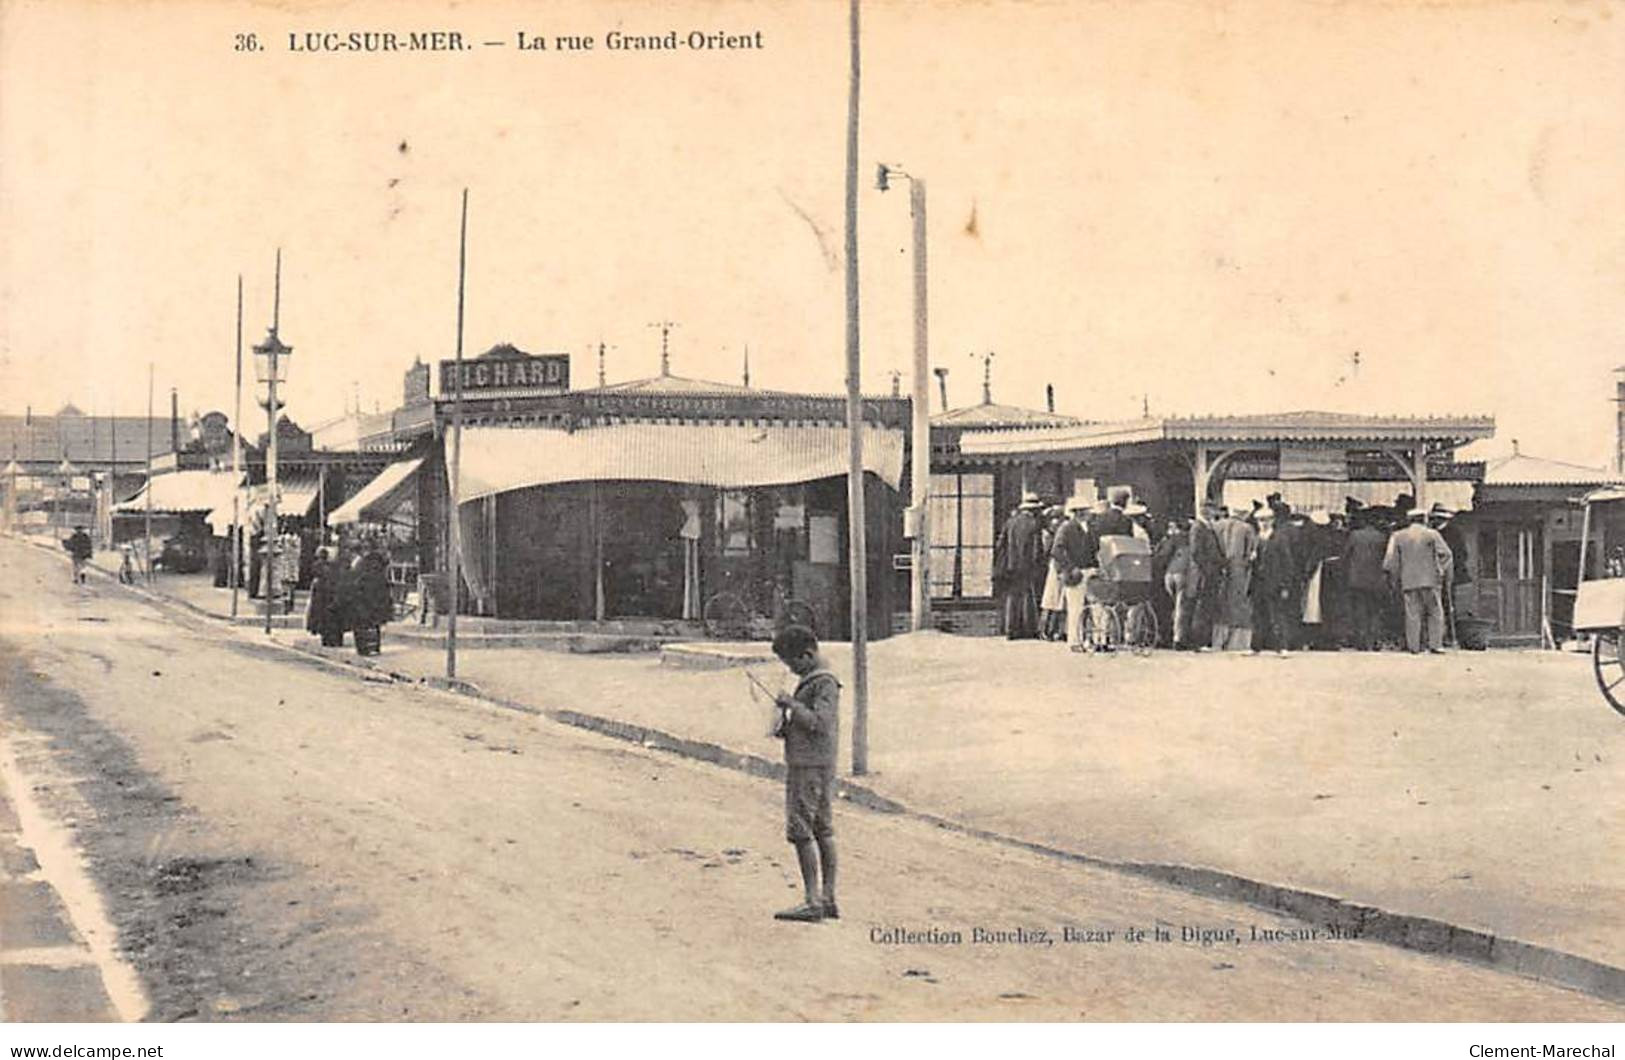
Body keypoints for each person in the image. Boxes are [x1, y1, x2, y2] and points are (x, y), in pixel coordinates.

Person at [769, 625, 840, 923]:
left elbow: (819, 722)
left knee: (801, 831)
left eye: (793, 663)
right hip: (821, 764)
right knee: (823, 829)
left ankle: (812, 901)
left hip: (807, 766)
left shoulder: (822, 682)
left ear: (807, 655)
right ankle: (827, 898)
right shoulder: (821, 680)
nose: (792, 669)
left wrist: (791, 705)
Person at [1383, 507, 1453, 654]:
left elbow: (1390, 562)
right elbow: (1446, 554)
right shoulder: (1433, 534)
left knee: (1412, 614)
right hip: (1431, 580)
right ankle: (1435, 645)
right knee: (1435, 612)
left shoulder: (1398, 536)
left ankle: (1414, 647)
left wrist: (1395, 579)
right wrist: (1440, 570)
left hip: (1408, 580)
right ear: (1424, 519)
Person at [993, 492, 1047, 640]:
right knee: (1028, 597)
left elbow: (1000, 545)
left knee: (1012, 597)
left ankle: (1010, 630)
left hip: (1010, 566)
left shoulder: (1010, 522)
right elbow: (1037, 550)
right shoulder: (1034, 524)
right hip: (1027, 566)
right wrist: (1039, 565)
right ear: (1034, 510)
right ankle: (1028, 629)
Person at [1051, 493, 1098, 652]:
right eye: (1086, 510)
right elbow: (1057, 551)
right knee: (1076, 609)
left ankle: (1091, 639)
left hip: (1088, 571)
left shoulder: (1088, 528)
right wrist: (1070, 567)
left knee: (1093, 608)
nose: (1089, 513)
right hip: (1074, 574)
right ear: (1079, 512)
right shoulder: (1066, 528)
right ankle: (1074, 641)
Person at [1249, 507, 1299, 655]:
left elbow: (1287, 562)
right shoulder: (1257, 538)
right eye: (1260, 520)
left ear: (1272, 521)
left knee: (1277, 615)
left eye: (1266, 520)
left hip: (1274, 583)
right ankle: (1255, 646)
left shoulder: (1279, 538)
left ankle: (1282, 646)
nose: (1263, 523)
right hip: (1258, 582)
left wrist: (1285, 585)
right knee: (1257, 615)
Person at [1211, 506, 1256, 650]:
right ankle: (1237, 642)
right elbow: (1251, 552)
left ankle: (1217, 640)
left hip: (1220, 567)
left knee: (1220, 603)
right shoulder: (1247, 528)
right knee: (1238, 603)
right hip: (1239, 569)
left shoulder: (1216, 526)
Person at [1345, 511, 1389, 650]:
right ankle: (1374, 640)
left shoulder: (1355, 535)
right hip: (1376, 579)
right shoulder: (1382, 538)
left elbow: (1346, 554)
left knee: (1360, 610)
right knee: (1375, 611)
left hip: (1357, 578)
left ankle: (1362, 641)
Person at [1156, 518, 1196, 649]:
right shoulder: (1190, 539)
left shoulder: (1172, 539)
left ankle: (1166, 636)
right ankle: (1178, 639)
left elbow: (1163, 556)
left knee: (1172, 606)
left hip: (1169, 573)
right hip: (1183, 574)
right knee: (1181, 607)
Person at [348, 545, 392, 656]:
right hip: (375, 601)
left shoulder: (361, 566)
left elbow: (355, 583)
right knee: (374, 625)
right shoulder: (379, 571)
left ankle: (363, 648)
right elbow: (385, 588)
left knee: (361, 625)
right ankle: (375, 647)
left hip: (364, 601)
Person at [305, 547, 346, 647]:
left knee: (324, 617)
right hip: (328, 596)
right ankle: (332, 639)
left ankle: (327, 638)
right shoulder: (333, 568)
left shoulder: (322, 568)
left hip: (323, 596)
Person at [1038, 507, 1066, 641]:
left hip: (1053, 566)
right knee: (1054, 600)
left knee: (1052, 600)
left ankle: (1047, 630)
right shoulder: (1055, 531)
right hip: (1056, 566)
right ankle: (1049, 630)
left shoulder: (1049, 531)